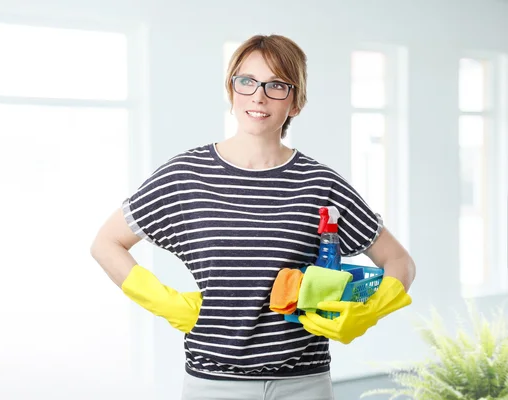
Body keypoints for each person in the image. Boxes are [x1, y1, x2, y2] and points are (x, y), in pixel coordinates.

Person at [91, 34, 416, 400]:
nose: (258, 96)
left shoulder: (320, 183)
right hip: (213, 384)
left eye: (276, 85)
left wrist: (370, 310)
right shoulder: (186, 175)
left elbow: (399, 260)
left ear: (296, 102)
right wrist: (166, 302)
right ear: (231, 91)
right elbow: (107, 243)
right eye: (246, 81)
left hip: (304, 384)